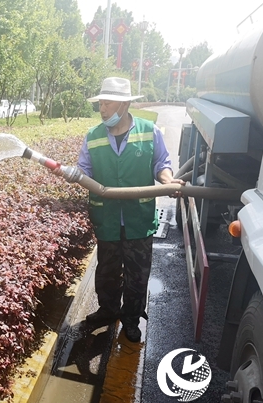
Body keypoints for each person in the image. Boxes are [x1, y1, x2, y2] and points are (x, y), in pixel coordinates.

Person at [56, 77, 184, 343]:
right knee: (107, 271)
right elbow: (84, 171)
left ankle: (131, 318)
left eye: (108, 102)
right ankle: (108, 310)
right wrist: (73, 174)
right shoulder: (93, 136)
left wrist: (167, 180)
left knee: (137, 274)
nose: (102, 109)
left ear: (124, 104)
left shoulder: (149, 131)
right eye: (100, 103)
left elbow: (161, 162)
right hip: (107, 218)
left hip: (138, 218)